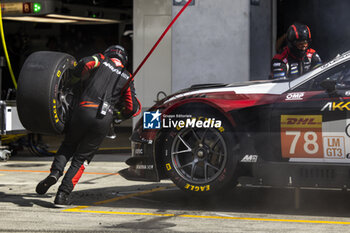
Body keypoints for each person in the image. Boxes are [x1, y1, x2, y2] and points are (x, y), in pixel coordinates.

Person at [35, 45, 140, 205]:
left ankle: (55, 173)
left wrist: (76, 78)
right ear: (124, 60)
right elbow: (132, 107)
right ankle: (62, 194)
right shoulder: (127, 77)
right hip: (104, 120)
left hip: (83, 110)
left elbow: (85, 63)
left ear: (109, 53)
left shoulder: (101, 59)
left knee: (68, 146)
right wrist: (118, 116)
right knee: (81, 159)